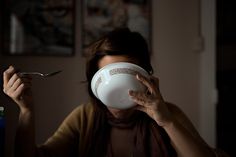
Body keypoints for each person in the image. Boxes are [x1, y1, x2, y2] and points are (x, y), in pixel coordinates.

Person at [3, 27, 224, 157]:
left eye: (126, 74)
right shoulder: (85, 117)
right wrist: (26, 110)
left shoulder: (168, 115)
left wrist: (167, 122)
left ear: (146, 77)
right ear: (95, 81)